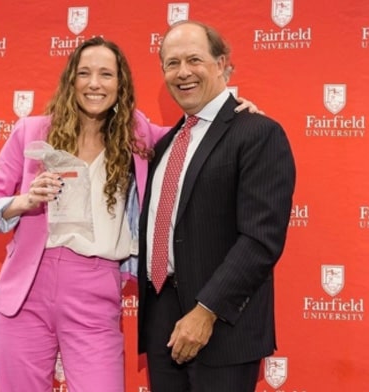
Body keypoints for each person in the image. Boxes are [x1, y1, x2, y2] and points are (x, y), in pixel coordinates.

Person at [0, 36, 259, 392]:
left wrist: (231, 117)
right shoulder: (31, 131)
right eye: (85, 73)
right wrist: (23, 202)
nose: (95, 83)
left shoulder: (138, 135)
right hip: (25, 293)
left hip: (96, 288)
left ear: (120, 84)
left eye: (106, 74)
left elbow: (194, 140)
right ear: (70, 81)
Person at [137, 21, 296, 392]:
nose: (183, 72)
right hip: (161, 318)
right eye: (172, 63)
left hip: (222, 324)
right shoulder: (164, 145)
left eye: (195, 59)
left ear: (222, 64)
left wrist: (206, 311)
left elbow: (261, 239)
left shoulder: (258, 132)